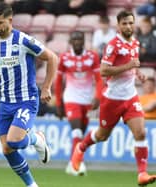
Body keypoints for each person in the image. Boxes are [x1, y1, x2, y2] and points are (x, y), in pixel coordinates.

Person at [0, 2, 58, 187]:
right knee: (7, 149)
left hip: (26, 101)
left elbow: (52, 57)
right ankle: (31, 185)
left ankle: (37, 138)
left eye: (0, 22)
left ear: (10, 20)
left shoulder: (23, 41)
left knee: (14, 141)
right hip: (5, 103)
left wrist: (46, 87)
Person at [70, 10, 156, 186]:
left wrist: (137, 73)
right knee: (102, 136)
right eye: (124, 23)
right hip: (112, 99)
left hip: (130, 97)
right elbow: (104, 71)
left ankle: (142, 173)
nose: (128, 26)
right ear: (118, 25)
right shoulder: (112, 45)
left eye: (131, 23)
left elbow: (132, 63)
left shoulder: (135, 43)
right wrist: (129, 66)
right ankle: (80, 148)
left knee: (141, 132)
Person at [55, 31, 102, 176]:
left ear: (83, 41)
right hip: (71, 98)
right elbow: (58, 81)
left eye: (79, 39)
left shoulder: (92, 56)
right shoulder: (64, 58)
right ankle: (78, 164)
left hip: (87, 100)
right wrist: (58, 103)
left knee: (81, 134)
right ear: (71, 41)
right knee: (77, 132)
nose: (77, 42)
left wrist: (97, 97)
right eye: (74, 39)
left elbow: (99, 79)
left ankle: (71, 162)